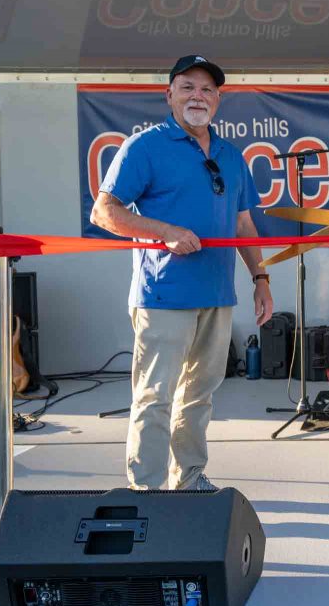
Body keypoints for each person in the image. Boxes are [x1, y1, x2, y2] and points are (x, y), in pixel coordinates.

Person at [90, 54, 274, 491]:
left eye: (208, 89)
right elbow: (104, 212)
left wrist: (260, 279)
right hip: (163, 297)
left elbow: (244, 223)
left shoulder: (231, 156)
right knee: (155, 398)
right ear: (168, 95)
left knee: (199, 397)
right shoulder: (145, 147)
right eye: (188, 87)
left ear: (218, 99)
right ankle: (145, 491)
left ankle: (188, 478)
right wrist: (164, 231)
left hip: (217, 295)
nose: (198, 96)